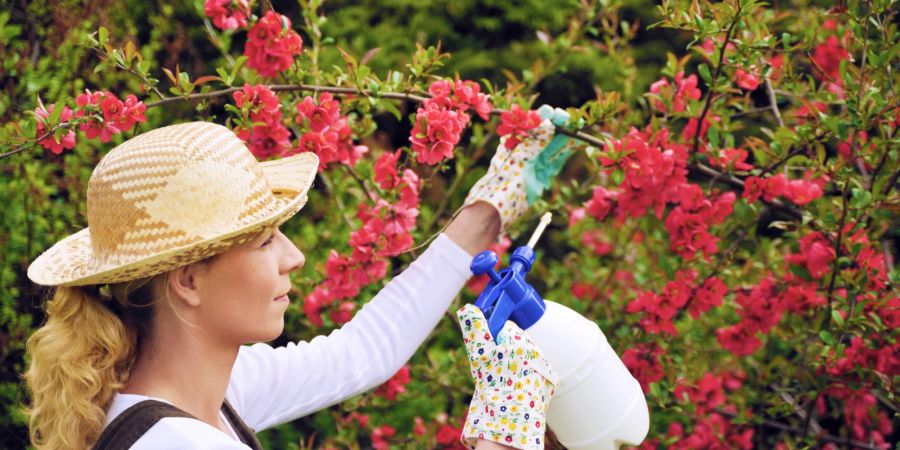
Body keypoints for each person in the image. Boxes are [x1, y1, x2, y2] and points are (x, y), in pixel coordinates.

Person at [24, 117, 570, 449]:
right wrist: (504, 432)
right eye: (265, 241)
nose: (296, 256)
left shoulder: (198, 397)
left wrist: (488, 211)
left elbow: (361, 352)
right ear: (188, 279)